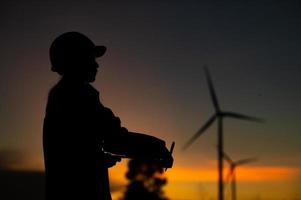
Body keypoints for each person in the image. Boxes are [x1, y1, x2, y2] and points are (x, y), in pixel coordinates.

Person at [43, 32, 173, 200]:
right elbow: (116, 139)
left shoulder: (59, 96)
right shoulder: (79, 96)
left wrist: (97, 159)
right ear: (76, 60)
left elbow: (71, 151)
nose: (96, 65)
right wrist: (158, 148)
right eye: (91, 58)